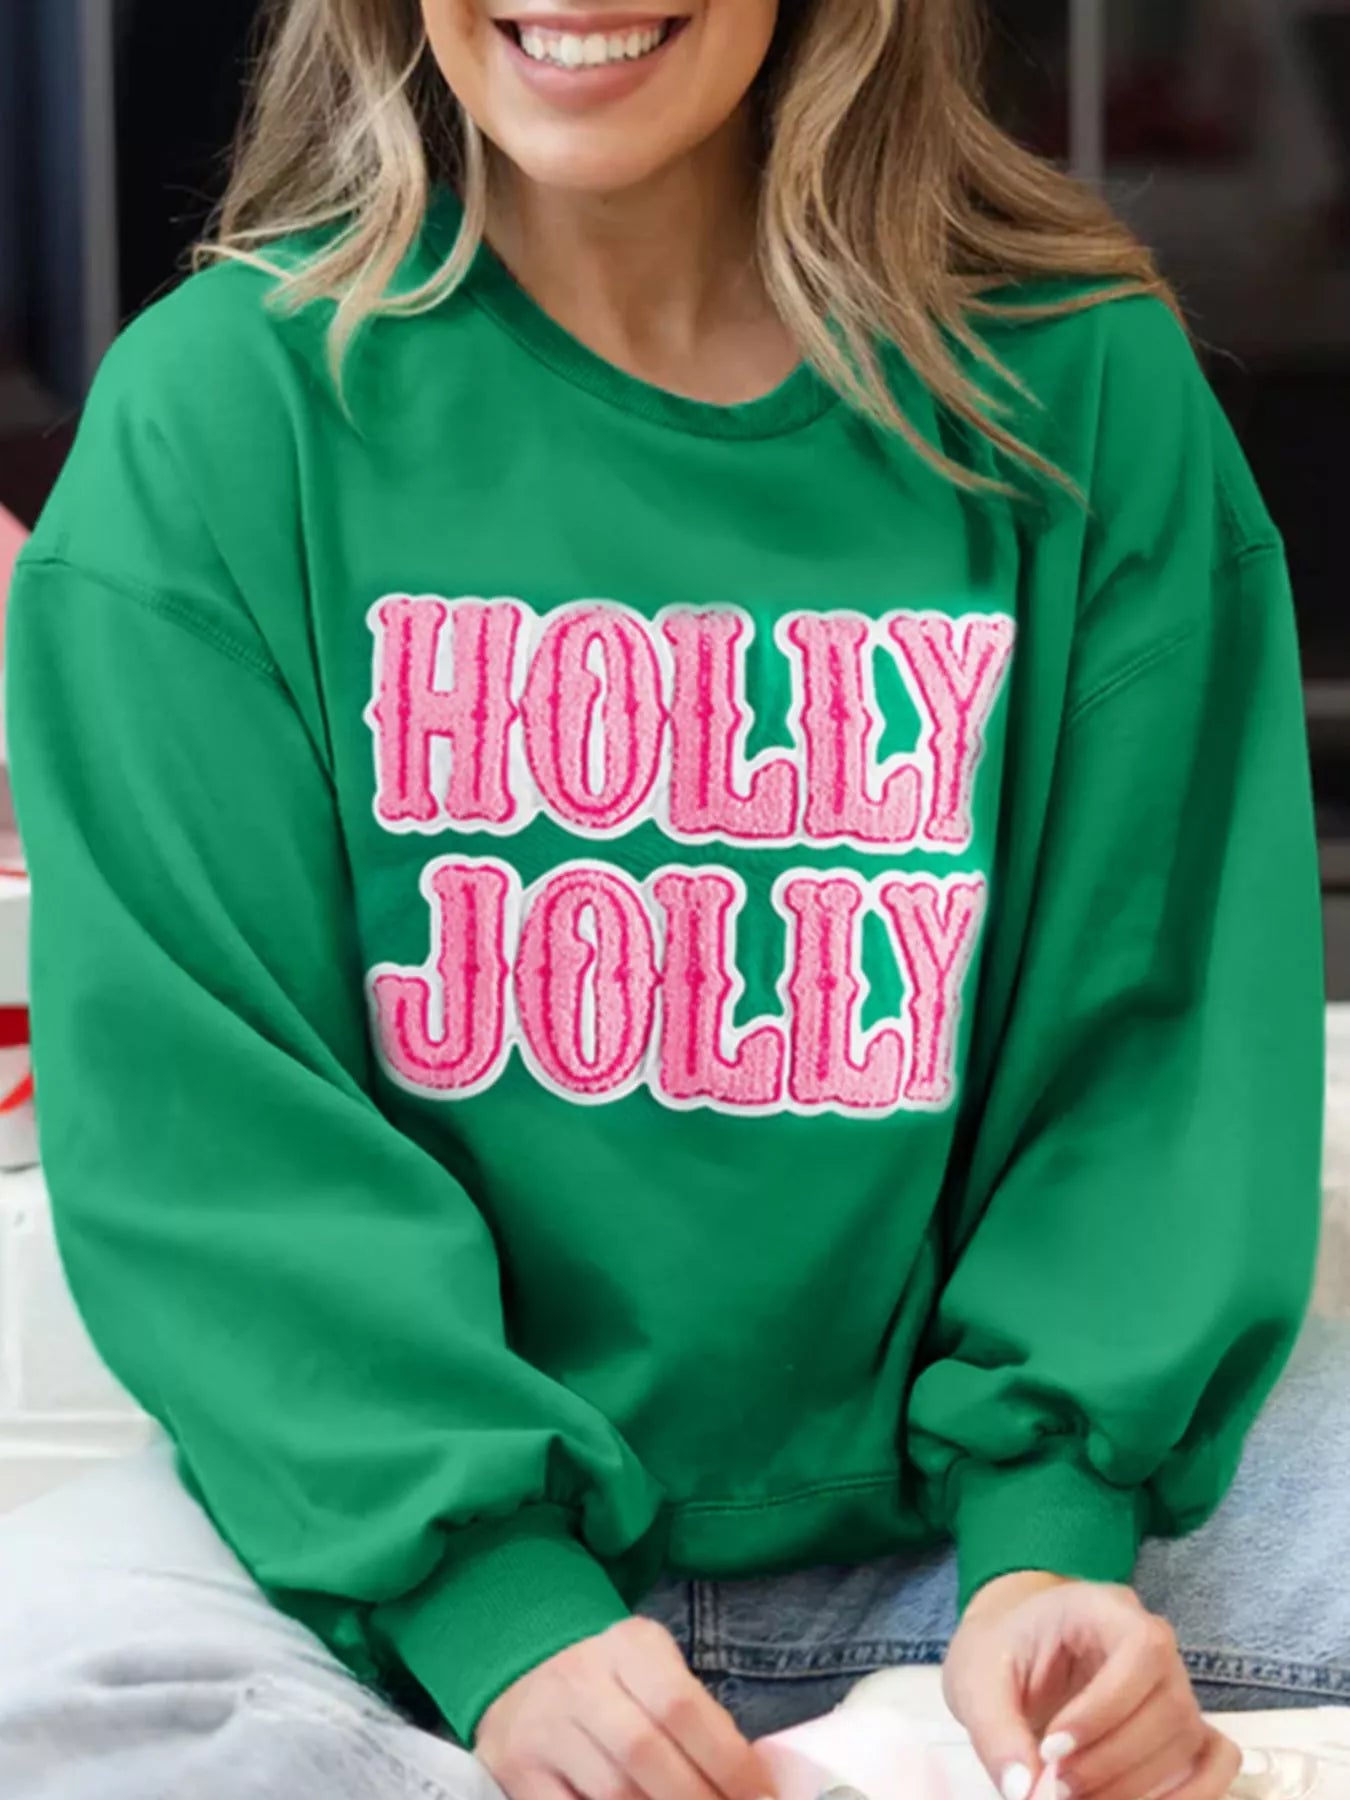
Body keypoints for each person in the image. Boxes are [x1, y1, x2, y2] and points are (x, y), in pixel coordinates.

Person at [0, 0, 1336, 1796]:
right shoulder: (218, 415)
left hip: (959, 1526)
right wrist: (500, 1615)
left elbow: (1144, 1050)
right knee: (50, 1690)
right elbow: (211, 1133)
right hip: (405, 1557)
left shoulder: (1078, 386)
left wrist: (1046, 1557)